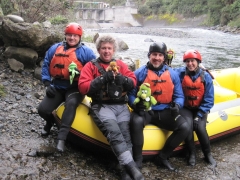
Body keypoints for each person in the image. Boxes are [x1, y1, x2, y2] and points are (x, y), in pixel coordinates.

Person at [78, 35, 144, 180]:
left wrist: (123, 79)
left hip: (121, 106)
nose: (106, 51)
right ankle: (132, 169)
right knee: (115, 134)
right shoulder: (91, 66)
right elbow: (83, 87)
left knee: (126, 136)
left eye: (109, 48)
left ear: (113, 50)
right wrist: (103, 78)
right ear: (98, 50)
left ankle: (125, 172)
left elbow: (133, 81)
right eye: (103, 48)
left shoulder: (120, 64)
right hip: (102, 107)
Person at [128, 42, 191, 171]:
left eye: (160, 55)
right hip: (146, 110)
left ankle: (162, 157)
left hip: (165, 110)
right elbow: (131, 94)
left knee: (184, 127)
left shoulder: (172, 74)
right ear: (149, 55)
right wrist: (135, 104)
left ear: (164, 57)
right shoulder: (140, 73)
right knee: (136, 121)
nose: (157, 58)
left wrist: (177, 105)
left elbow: (179, 95)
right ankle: (138, 159)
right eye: (154, 55)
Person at [37, 22, 96, 152]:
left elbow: (95, 69)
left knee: (71, 103)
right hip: (57, 85)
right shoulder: (55, 48)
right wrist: (47, 83)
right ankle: (50, 122)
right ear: (65, 36)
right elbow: (46, 64)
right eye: (69, 35)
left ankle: (61, 139)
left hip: (75, 87)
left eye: (75, 36)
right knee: (42, 109)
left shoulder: (86, 52)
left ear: (80, 37)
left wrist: (85, 77)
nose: (72, 38)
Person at [174, 49, 217, 167]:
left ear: (198, 61)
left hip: (200, 108)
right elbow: (168, 72)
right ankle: (192, 153)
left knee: (200, 128)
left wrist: (199, 115)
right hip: (186, 108)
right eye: (187, 61)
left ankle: (208, 154)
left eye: (192, 61)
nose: (190, 64)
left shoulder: (206, 77)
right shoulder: (181, 73)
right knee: (187, 126)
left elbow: (209, 99)